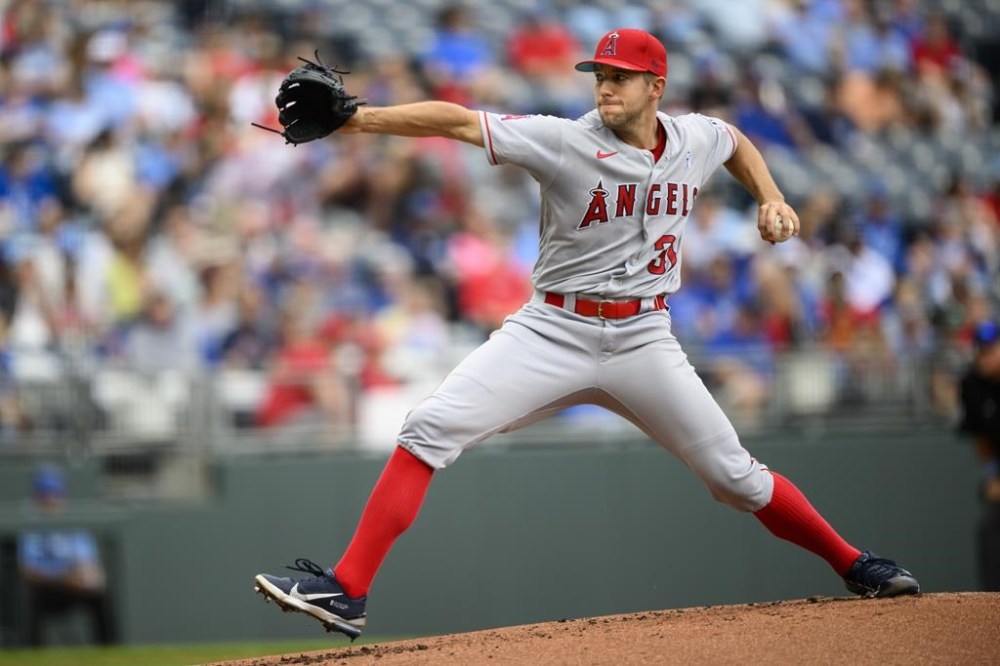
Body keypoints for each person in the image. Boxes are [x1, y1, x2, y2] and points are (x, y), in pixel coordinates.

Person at [254, 29, 919, 640]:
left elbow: (736, 141)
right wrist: (359, 118)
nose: (606, 86)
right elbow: (460, 121)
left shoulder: (692, 138)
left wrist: (770, 195)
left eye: (622, 76)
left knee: (736, 480)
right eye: (600, 73)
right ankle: (348, 589)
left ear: (655, 87)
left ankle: (853, 563)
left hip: (644, 338)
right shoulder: (566, 138)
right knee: (429, 428)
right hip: (554, 329)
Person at [17, 464, 117, 645]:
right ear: (38, 497)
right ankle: (33, 654)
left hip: (76, 586)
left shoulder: (73, 521)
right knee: (32, 600)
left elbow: (88, 561)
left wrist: (89, 577)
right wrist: (64, 578)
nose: (51, 500)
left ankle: (109, 652)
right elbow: (29, 571)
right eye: (45, 495)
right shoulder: (31, 525)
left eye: (55, 494)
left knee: (100, 595)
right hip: (48, 588)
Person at [957, 320, 1000, 591]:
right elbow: (982, 441)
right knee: (990, 527)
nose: (984, 356)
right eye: (980, 350)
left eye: (991, 349)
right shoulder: (972, 383)